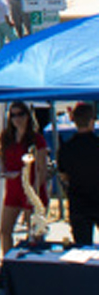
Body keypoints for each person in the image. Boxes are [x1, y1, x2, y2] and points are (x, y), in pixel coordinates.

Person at [0, 102, 49, 256]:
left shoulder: (36, 139)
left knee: (33, 233)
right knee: (5, 230)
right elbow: (1, 159)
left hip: (31, 189)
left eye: (20, 114)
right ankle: (8, 263)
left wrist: (33, 193)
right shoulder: (6, 137)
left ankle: (32, 264)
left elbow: (41, 169)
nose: (17, 119)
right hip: (13, 188)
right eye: (13, 115)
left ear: (28, 116)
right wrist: (3, 171)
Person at [58, 102, 99, 246]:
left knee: (82, 250)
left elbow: (63, 175)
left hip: (78, 202)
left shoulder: (66, 148)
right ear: (91, 121)